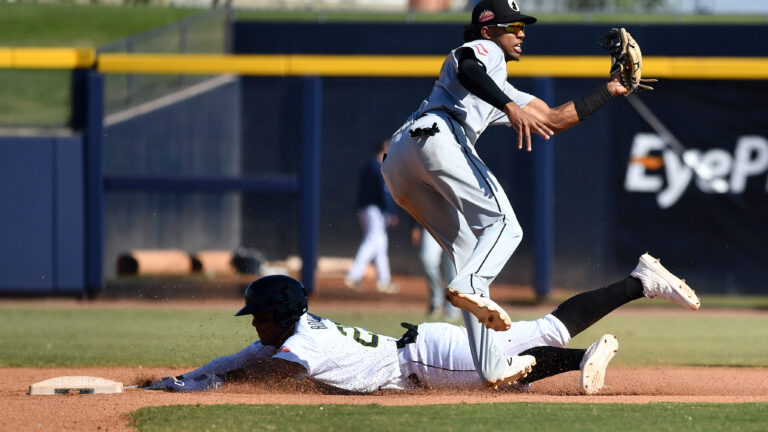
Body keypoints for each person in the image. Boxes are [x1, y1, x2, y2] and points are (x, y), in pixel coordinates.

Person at [380, 0, 631, 386]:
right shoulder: (486, 52)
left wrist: (611, 89)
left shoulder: (500, 86)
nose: (521, 33)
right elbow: (468, 68)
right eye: (512, 26)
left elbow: (551, 118)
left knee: (467, 252)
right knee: (504, 225)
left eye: (522, 27)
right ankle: (465, 287)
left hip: (399, 162)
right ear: (487, 30)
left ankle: (492, 367)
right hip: (436, 135)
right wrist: (509, 105)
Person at [148, 253, 700, 395]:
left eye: (258, 317)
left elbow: (260, 374)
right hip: (426, 352)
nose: (255, 327)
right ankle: (637, 284)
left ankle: (634, 289)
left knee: (510, 364)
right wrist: (186, 379)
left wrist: (219, 384)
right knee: (534, 343)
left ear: (279, 316)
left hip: (424, 361)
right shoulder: (295, 332)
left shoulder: (302, 346)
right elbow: (239, 361)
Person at [344, 139, 399, 294]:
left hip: (365, 209)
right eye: (388, 146)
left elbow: (360, 192)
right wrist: (391, 212)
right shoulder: (380, 167)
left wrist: (359, 210)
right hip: (375, 211)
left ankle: (384, 280)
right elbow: (385, 193)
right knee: (372, 242)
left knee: (380, 246)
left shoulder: (368, 166)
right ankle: (353, 275)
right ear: (383, 149)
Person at [410, 223, 461, 320]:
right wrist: (414, 226)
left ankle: (452, 305)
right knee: (427, 260)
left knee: (452, 269)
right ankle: (436, 301)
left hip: (455, 226)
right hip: (431, 224)